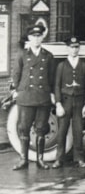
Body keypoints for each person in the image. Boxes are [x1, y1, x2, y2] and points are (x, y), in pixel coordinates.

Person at [11, 25, 56, 170]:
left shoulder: (48, 56)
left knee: (41, 129)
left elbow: (52, 78)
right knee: (24, 129)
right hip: (26, 97)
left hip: (43, 97)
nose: (36, 39)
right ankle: (23, 159)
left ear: (43, 37)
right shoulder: (22, 55)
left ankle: (40, 160)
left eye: (39, 36)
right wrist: (17, 90)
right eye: (33, 36)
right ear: (29, 38)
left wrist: (52, 94)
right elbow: (16, 74)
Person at [52, 36, 85, 168]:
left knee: (78, 130)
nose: (74, 50)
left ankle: (79, 158)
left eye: (76, 47)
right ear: (67, 48)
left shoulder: (84, 66)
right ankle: (59, 158)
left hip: (79, 103)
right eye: (71, 47)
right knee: (62, 131)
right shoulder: (61, 66)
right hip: (65, 102)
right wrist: (58, 104)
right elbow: (56, 86)